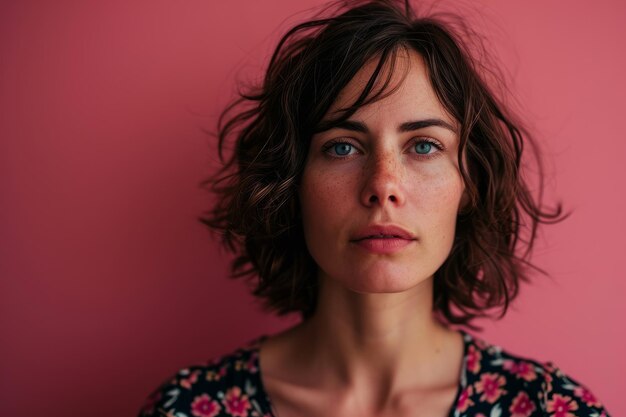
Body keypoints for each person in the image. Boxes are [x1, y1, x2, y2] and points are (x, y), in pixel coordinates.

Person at [138, 1, 611, 416]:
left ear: (469, 184)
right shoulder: (188, 407)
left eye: (424, 146)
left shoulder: (548, 407)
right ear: (291, 183)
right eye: (343, 148)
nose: (384, 186)